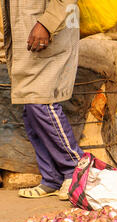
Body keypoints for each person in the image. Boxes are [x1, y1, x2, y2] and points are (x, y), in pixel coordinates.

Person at [1, 0, 83, 200]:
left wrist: (46, 24)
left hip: (49, 30)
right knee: (31, 108)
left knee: (41, 103)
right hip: (27, 33)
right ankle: (51, 179)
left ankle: (76, 172)